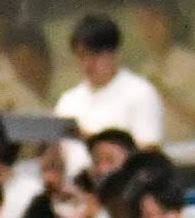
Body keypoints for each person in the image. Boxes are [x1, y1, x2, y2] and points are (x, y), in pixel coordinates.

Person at [51, 12, 170, 154]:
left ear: (114, 52)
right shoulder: (68, 101)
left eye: (95, 55)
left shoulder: (141, 93)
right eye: (82, 56)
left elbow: (149, 154)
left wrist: (92, 140)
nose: (88, 64)